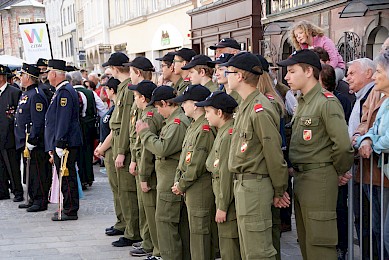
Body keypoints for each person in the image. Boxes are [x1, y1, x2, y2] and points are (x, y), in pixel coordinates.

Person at [277, 49, 354, 259]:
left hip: (319, 179)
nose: (286, 76)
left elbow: (343, 145)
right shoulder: (303, 102)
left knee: (320, 246)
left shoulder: (325, 102)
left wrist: (336, 171)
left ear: (309, 71)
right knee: (307, 244)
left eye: (292, 71)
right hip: (303, 179)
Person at [222, 52, 289, 259]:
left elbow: (273, 153)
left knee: (258, 251)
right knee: (249, 249)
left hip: (255, 185)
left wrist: (280, 190)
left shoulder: (259, 108)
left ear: (240, 76)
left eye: (229, 72)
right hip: (244, 185)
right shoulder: (246, 105)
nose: (226, 76)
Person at [136, 85, 191, 260]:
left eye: (159, 107)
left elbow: (163, 148)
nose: (158, 112)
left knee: (165, 222)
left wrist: (144, 133)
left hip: (169, 178)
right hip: (166, 177)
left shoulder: (178, 123)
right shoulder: (173, 121)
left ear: (166, 103)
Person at [171, 84, 218, 260]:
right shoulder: (194, 125)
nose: (182, 105)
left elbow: (197, 164)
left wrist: (181, 184)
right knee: (196, 232)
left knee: (200, 234)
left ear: (196, 104)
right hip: (191, 186)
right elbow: (185, 158)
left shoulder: (204, 128)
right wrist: (178, 180)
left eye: (185, 102)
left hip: (199, 187)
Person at [196, 91, 241, 260]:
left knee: (230, 247)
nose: (205, 116)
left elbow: (226, 174)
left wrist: (222, 206)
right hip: (222, 197)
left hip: (227, 202)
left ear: (220, 113)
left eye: (208, 112)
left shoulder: (227, 135)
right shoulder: (222, 132)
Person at [102, 52, 141, 247]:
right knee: (121, 189)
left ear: (116, 69)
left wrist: (121, 151)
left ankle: (132, 231)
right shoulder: (124, 88)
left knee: (127, 191)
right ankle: (126, 224)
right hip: (118, 140)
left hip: (122, 142)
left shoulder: (126, 90)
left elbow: (126, 122)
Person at [355, 50, 389, 259]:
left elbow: (385, 140)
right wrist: (366, 139)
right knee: (381, 231)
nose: (374, 77)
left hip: (384, 175)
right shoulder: (384, 101)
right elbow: (371, 130)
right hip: (380, 173)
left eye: (378, 71)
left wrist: (370, 141)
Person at [319, 64, 352, 259]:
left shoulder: (335, 101)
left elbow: (341, 139)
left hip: (333, 165)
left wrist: (341, 170)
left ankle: (341, 246)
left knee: (339, 209)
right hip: (325, 168)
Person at [129, 80, 164, 258]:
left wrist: (144, 175)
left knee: (152, 213)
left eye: (136, 96)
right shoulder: (146, 113)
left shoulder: (149, 116)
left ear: (143, 98)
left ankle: (157, 249)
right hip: (147, 168)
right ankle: (152, 244)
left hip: (150, 172)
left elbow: (147, 149)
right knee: (148, 211)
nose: (134, 99)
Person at [124, 56, 156, 254]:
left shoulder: (148, 104)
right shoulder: (141, 101)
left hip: (146, 162)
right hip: (138, 156)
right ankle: (146, 239)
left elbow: (146, 142)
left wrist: (138, 162)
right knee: (144, 205)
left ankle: (151, 243)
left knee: (149, 207)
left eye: (131, 71)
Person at [44, 59, 83, 221]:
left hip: (65, 143)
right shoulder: (61, 90)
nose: (47, 75)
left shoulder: (65, 91)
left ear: (54, 74)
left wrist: (59, 142)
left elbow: (63, 119)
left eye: (48, 72)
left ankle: (70, 209)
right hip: (64, 141)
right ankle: (68, 206)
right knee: (65, 176)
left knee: (67, 176)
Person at [14, 63, 50, 212]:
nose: (20, 78)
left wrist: (33, 140)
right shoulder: (26, 93)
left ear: (28, 76)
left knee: (38, 171)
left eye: (22, 75)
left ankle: (40, 200)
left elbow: (38, 121)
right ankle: (32, 197)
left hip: (34, 142)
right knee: (30, 172)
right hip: (24, 140)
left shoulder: (36, 94)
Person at [94, 77, 126, 237]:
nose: (103, 91)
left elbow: (114, 133)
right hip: (107, 150)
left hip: (111, 149)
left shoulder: (116, 109)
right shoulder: (112, 107)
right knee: (115, 190)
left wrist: (101, 148)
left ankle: (123, 222)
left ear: (112, 90)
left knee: (120, 190)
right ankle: (120, 221)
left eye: (106, 88)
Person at [0, 65, 23, 201]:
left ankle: (17, 190)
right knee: (1, 167)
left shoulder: (14, 92)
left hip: (9, 137)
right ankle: (3, 190)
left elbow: (17, 116)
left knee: (13, 166)